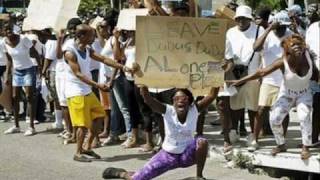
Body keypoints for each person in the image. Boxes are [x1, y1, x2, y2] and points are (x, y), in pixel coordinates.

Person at [230, 34, 318, 159]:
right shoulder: (282, 62)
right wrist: (241, 80)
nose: (297, 47)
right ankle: (281, 144)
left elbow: (316, 73)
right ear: (287, 49)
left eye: (299, 44)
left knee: (304, 116)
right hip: (287, 93)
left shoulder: (309, 57)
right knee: (274, 118)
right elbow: (262, 72)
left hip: (304, 92)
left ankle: (306, 147)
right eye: (293, 45)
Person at [102, 86, 219, 180]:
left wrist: (218, 74)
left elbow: (212, 94)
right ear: (172, 102)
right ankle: (122, 174)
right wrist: (144, 89)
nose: (180, 101)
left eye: (184, 98)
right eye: (176, 99)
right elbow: (149, 100)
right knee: (138, 178)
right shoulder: (168, 110)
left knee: (201, 141)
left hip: (186, 156)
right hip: (167, 156)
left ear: (189, 101)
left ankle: (199, 176)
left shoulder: (194, 110)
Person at [63, 24, 134, 162]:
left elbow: (103, 59)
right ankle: (78, 152)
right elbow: (78, 74)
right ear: (81, 36)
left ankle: (87, 147)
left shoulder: (87, 48)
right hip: (75, 92)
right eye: (91, 35)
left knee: (99, 117)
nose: (94, 38)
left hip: (86, 90)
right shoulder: (70, 52)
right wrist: (98, 85)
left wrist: (123, 67)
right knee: (82, 125)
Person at [247, 11, 293, 151]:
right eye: (279, 26)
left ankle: (281, 141)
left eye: (284, 26)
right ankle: (254, 139)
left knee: (283, 111)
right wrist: (268, 29)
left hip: (286, 80)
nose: (282, 29)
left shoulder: (290, 34)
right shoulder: (267, 34)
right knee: (261, 109)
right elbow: (255, 48)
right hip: (269, 78)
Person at [223, 5, 264, 147]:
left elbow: (263, 53)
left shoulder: (259, 30)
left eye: (244, 18)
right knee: (235, 106)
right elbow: (227, 55)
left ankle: (252, 135)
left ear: (250, 19)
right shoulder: (230, 32)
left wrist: (262, 73)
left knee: (253, 107)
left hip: (253, 74)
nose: (241, 21)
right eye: (239, 18)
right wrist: (228, 73)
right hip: (234, 73)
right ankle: (234, 130)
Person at [3, 21, 40, 136]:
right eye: (6, 30)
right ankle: (16, 126)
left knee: (29, 96)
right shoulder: (3, 43)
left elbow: (35, 53)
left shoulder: (23, 39)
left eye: (10, 29)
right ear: (3, 32)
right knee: (15, 97)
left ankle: (31, 127)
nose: (9, 32)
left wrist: (40, 69)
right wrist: (7, 74)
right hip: (17, 71)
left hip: (29, 69)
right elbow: (9, 60)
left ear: (14, 29)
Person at [306, 19, 320, 144]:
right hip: (314, 75)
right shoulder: (312, 28)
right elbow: (307, 50)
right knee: (316, 107)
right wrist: (313, 69)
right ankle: (314, 140)